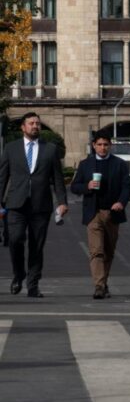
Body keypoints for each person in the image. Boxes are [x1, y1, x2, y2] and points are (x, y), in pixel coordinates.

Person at [0, 112, 68, 297]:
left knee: (37, 246)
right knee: (14, 240)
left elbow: (58, 178)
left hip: (41, 205)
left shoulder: (50, 149)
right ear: (23, 127)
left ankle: (33, 285)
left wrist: (62, 202)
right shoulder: (10, 148)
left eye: (37, 123)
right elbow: (2, 177)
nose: (35, 126)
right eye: (31, 123)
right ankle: (18, 274)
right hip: (16, 204)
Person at [70, 131, 130, 299]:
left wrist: (121, 202)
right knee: (96, 251)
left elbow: (126, 187)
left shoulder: (119, 164)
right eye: (99, 144)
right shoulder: (85, 165)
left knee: (109, 252)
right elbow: (75, 187)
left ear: (110, 145)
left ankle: (103, 282)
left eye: (106, 144)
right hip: (93, 213)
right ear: (94, 146)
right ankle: (99, 286)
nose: (103, 147)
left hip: (112, 213)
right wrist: (87, 186)